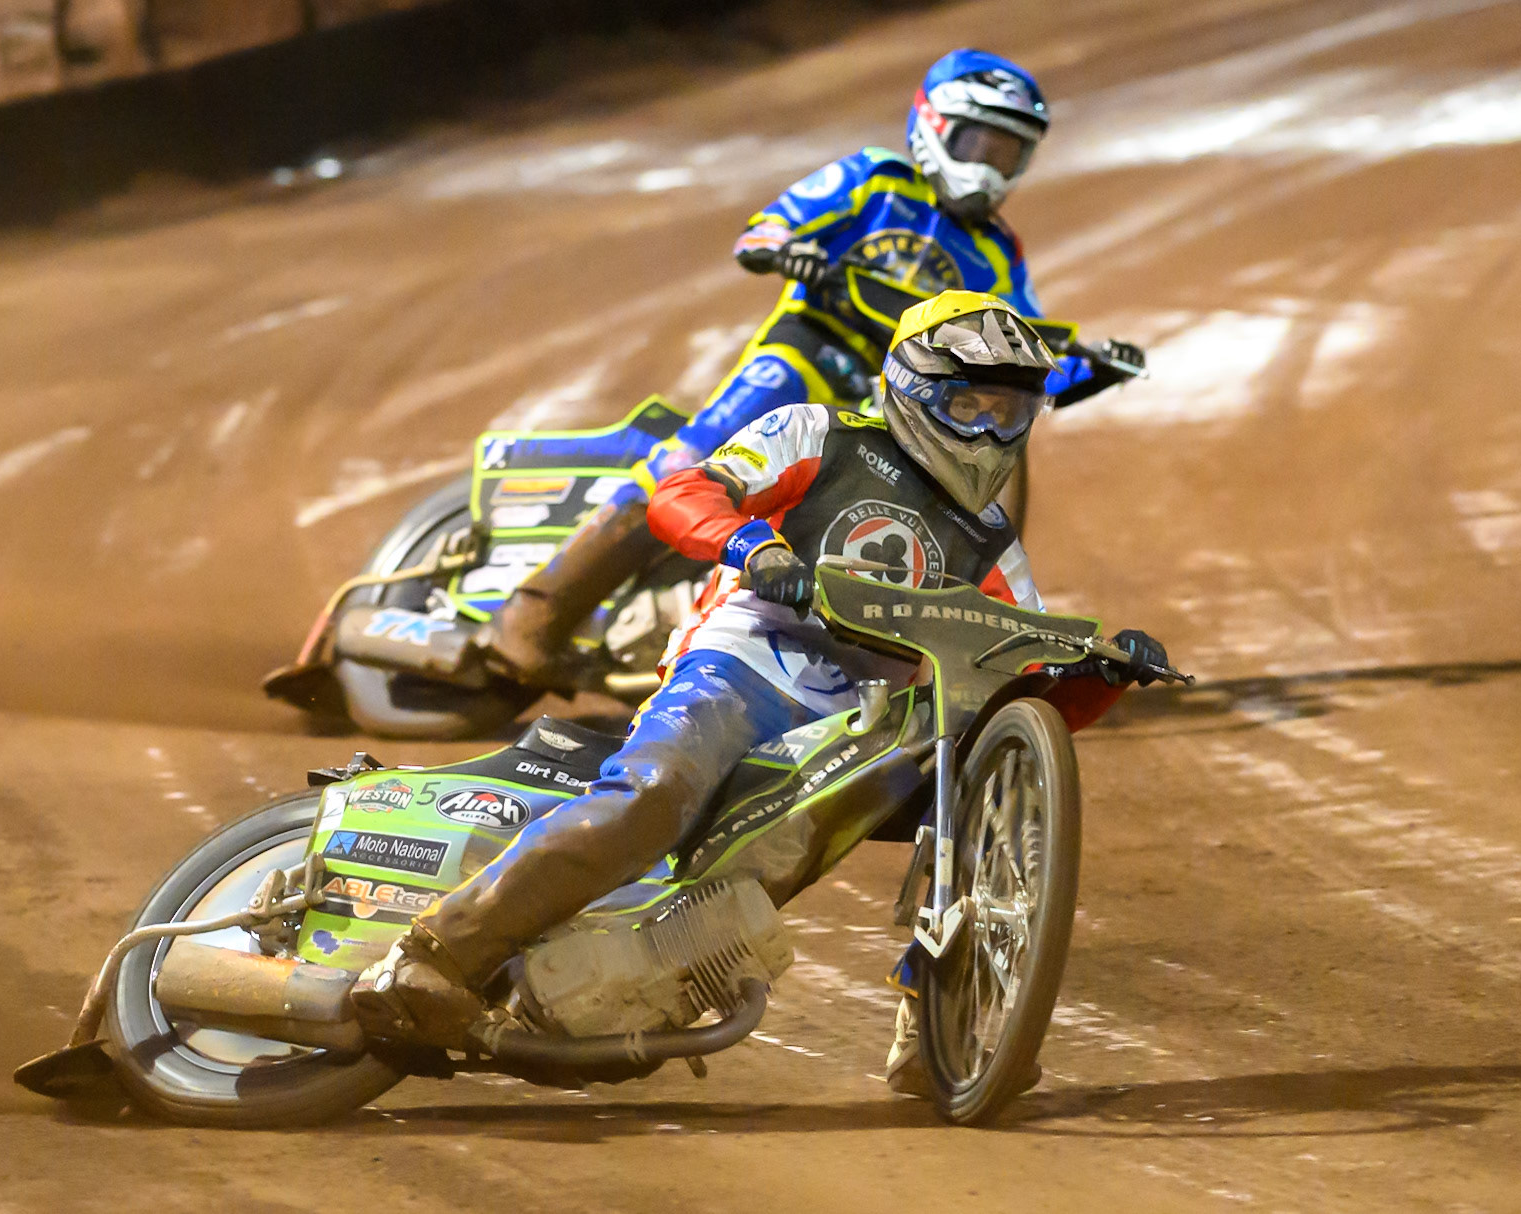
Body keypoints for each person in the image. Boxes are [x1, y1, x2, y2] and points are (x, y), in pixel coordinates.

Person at [352, 291, 1171, 1057]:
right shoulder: (819, 435)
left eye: (1011, 413)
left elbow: (1022, 690)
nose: (991, 434)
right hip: (742, 663)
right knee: (654, 795)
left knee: (968, 801)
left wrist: (1103, 671)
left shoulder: (993, 541)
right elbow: (684, 489)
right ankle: (436, 957)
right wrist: (751, 543)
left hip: (860, 727)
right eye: (970, 406)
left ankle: (934, 1041)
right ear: (914, 391)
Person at [442, 47, 1123, 688]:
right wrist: (783, 248)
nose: (993, 167)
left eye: (1011, 152)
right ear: (934, 126)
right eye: (981, 145)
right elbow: (768, 227)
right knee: (696, 459)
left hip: (896, 398)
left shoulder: (999, 251)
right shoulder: (876, 179)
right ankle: (532, 614)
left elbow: (1017, 352)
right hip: (808, 348)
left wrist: (1085, 369)